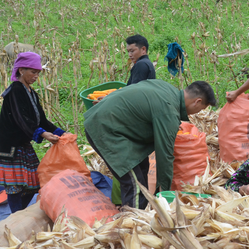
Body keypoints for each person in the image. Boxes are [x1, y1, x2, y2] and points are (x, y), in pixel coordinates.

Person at [84, 80, 216, 209]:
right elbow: (164, 155)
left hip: (115, 126)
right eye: (201, 108)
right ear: (197, 102)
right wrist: (164, 194)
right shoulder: (169, 111)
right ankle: (132, 225)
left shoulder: (166, 88)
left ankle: (136, 211)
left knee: (143, 170)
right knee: (135, 185)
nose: (198, 112)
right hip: (106, 129)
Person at [0, 52, 65, 212]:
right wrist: (42, 134)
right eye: (33, 72)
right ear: (21, 70)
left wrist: (62, 134)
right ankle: (16, 216)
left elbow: (41, 120)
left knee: (34, 183)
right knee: (14, 186)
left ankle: (19, 212)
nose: (36, 76)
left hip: (22, 144)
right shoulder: (15, 90)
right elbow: (21, 118)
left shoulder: (31, 93)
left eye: (38, 73)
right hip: (10, 147)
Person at [110, 34, 157, 206]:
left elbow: (132, 94)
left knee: (134, 166)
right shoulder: (147, 65)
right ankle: (142, 203)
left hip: (135, 118)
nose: (130, 54)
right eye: (128, 51)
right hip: (143, 116)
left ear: (143, 49)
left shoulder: (141, 66)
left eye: (133, 50)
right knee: (142, 165)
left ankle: (133, 206)